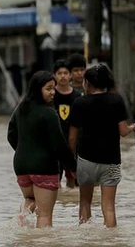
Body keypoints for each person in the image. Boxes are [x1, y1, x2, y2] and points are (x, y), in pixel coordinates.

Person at [68, 64, 135, 228]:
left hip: (86, 160)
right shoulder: (116, 100)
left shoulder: (79, 103)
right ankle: (111, 241)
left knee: (84, 203)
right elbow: (123, 131)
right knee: (109, 207)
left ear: (87, 83)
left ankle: (86, 239)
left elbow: (72, 138)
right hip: (111, 161)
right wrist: (134, 127)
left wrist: (70, 162)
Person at [7, 71, 77, 228]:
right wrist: (73, 167)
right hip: (44, 167)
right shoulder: (49, 113)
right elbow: (59, 145)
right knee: (44, 215)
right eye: (49, 88)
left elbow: (11, 135)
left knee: (31, 200)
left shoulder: (20, 109)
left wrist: (24, 151)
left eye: (54, 88)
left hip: (21, 166)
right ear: (37, 89)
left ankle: (22, 219)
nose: (53, 92)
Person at [53, 59, 82, 189]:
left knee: (73, 183)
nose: (63, 76)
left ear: (70, 75)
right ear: (54, 75)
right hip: (55, 145)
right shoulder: (50, 95)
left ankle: (70, 207)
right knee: (55, 182)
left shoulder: (77, 96)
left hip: (73, 145)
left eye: (65, 73)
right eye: (59, 73)